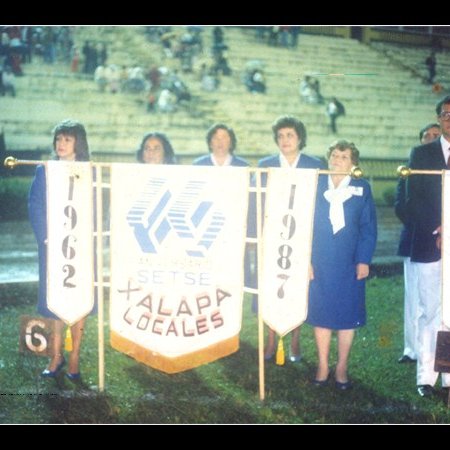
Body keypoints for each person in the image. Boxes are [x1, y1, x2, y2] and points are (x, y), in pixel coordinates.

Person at [306, 140, 377, 390]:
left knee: (347, 314)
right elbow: (304, 225)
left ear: (353, 163)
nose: (337, 160)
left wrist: (363, 260)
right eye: (334, 155)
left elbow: (368, 228)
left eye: (344, 157)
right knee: (321, 313)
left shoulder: (362, 188)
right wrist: (306, 260)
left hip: (349, 261)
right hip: (320, 260)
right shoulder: (314, 186)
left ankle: (342, 367)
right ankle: (323, 365)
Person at [256, 115, 326, 362]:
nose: (285, 140)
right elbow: (258, 202)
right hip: (273, 235)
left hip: (302, 235)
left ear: (300, 138)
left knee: (297, 288)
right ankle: (271, 340)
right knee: (271, 286)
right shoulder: (265, 164)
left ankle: (295, 340)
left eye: (290, 135)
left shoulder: (314, 165)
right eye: (280, 136)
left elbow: (320, 205)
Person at [28, 119, 92, 381]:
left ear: (78, 142)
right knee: (54, 299)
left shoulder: (90, 170)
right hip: (53, 247)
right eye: (58, 139)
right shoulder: (45, 170)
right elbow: (34, 205)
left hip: (81, 246)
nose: (61, 144)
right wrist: (46, 238)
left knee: (80, 299)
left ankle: (74, 355)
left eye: (67, 139)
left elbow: (96, 206)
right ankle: (56, 355)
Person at [405, 95, 450, 398]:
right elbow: (414, 200)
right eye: (445, 114)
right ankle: (426, 377)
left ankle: (447, 375)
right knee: (429, 309)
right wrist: (439, 227)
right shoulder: (421, 154)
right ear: (438, 118)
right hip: (429, 243)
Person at [396, 123, 441, 365]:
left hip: (441, 240)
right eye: (427, 136)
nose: (432, 139)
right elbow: (402, 205)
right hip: (416, 239)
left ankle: (436, 349)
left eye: (436, 135)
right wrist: (425, 224)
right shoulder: (410, 169)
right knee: (414, 296)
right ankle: (412, 348)